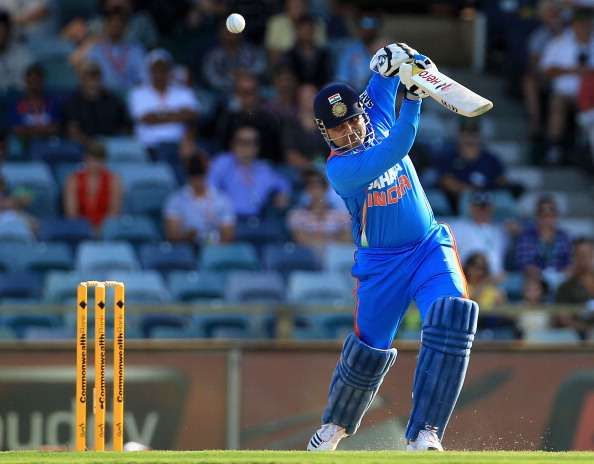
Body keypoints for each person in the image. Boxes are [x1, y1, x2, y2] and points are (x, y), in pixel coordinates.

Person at [307, 43, 479, 452]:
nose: (347, 131)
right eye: (336, 129)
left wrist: (394, 58)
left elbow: (385, 71)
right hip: (381, 264)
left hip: (427, 247)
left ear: (361, 112)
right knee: (368, 350)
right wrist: (416, 100)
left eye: (350, 121)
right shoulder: (341, 169)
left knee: (454, 314)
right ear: (324, 133)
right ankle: (336, 425)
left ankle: (426, 432)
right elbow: (396, 148)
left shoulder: (377, 111)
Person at [208, 124, 290, 219]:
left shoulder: (264, 169)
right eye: (241, 142)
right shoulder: (223, 162)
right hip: (229, 220)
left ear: (257, 147)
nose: (245, 147)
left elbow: (283, 183)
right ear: (233, 144)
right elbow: (210, 188)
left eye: (251, 142)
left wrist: (282, 194)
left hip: (257, 221)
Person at [127, 49, 199, 149]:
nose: (159, 73)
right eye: (155, 69)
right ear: (149, 70)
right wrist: (178, 114)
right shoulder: (138, 93)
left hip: (179, 145)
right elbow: (146, 118)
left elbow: (191, 115)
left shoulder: (183, 91)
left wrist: (158, 115)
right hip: (148, 146)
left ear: (170, 70)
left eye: (163, 69)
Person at [437, 119, 510, 215]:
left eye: (473, 134)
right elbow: (445, 181)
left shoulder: (490, 159)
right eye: (465, 134)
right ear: (459, 136)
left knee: (503, 199)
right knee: (468, 197)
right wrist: (469, 190)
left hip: (488, 198)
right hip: (457, 201)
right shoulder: (449, 157)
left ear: (479, 136)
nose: (469, 138)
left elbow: (502, 180)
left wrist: (485, 188)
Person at [164, 155, 235, 244]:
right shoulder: (176, 200)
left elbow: (228, 236)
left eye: (200, 173)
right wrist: (187, 236)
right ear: (187, 173)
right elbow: (172, 236)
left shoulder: (222, 200)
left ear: (207, 172)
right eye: (193, 173)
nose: (197, 179)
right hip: (188, 249)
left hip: (215, 249)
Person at [64, 60, 130, 146]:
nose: (93, 80)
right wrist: (92, 145)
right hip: (83, 146)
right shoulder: (73, 101)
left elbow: (126, 127)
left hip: (111, 144)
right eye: (88, 76)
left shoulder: (113, 100)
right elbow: (73, 131)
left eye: (95, 76)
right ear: (81, 79)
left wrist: (112, 142)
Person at [64, 142, 122, 230]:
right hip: (80, 229)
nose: (95, 164)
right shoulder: (73, 180)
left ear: (104, 161)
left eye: (99, 161)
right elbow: (72, 214)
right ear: (85, 159)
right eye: (92, 160)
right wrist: (86, 230)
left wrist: (101, 231)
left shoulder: (114, 180)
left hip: (106, 230)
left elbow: (114, 213)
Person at [449, 191, 507, 280]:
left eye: (485, 207)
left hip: (492, 282)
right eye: (479, 206)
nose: (482, 210)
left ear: (492, 208)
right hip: (466, 279)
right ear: (471, 207)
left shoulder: (500, 231)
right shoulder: (458, 226)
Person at [287, 169, 350, 250]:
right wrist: (333, 237)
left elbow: (347, 239)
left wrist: (314, 238)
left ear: (325, 188)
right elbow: (300, 239)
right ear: (306, 190)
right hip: (309, 257)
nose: (315, 190)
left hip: (335, 257)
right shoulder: (296, 215)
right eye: (310, 186)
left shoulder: (341, 215)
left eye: (318, 185)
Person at [513, 195, 571, 277]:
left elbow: (569, 261)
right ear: (537, 215)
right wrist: (541, 276)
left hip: (560, 278)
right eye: (543, 214)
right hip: (534, 280)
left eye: (551, 213)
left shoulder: (564, 237)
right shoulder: (526, 237)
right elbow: (523, 263)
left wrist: (562, 274)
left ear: (556, 215)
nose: (547, 218)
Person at [8, 63, 60, 143]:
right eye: (31, 81)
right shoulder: (18, 105)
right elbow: (17, 130)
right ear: (26, 81)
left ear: (42, 81)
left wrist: (28, 130)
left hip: (49, 146)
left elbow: (55, 128)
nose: (34, 84)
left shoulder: (53, 103)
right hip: (25, 146)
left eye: (37, 80)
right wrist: (43, 129)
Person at [0, 9, 32, 93]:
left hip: (17, 102)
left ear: (8, 30)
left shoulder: (23, 54)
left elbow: (27, 87)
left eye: (2, 29)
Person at [556, 237, 594, 305]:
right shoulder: (565, 288)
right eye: (580, 254)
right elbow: (563, 313)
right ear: (573, 257)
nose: (585, 258)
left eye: (589, 254)